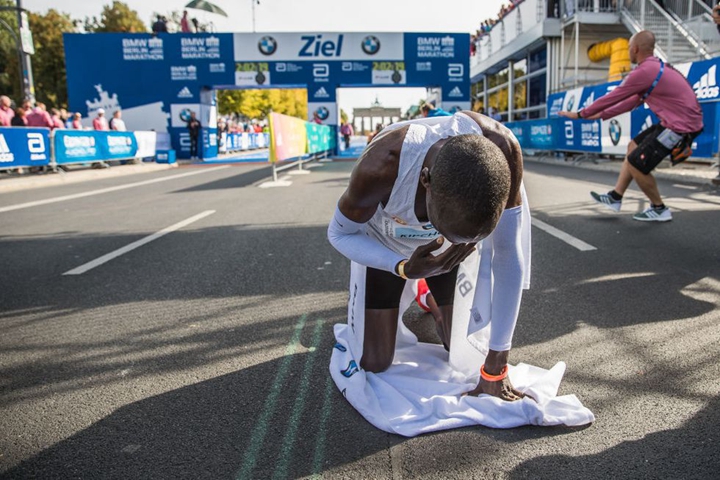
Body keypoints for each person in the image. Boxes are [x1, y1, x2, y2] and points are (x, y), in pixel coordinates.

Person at [327, 110, 530, 401]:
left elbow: (509, 253)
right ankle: (417, 282)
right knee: (375, 362)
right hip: (389, 247)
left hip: (449, 256)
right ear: (425, 180)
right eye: (443, 226)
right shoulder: (380, 167)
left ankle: (429, 297)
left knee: (466, 353)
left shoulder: (504, 150)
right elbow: (338, 234)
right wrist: (401, 267)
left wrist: (496, 367)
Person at [559, 30, 703, 222]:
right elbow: (631, 102)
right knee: (632, 147)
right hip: (674, 122)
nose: (627, 52)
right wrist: (600, 115)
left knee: (636, 163)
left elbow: (615, 95)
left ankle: (659, 208)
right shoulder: (654, 68)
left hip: (680, 127)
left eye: (628, 48)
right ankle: (615, 197)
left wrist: (580, 114)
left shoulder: (644, 71)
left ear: (635, 49)